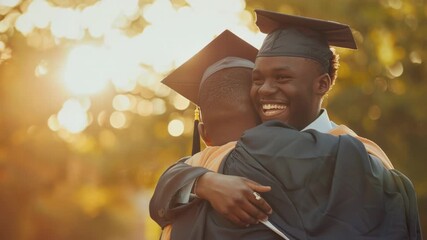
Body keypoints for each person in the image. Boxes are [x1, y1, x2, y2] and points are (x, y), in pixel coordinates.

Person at [151, 10, 422, 239]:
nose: (266, 90)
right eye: (257, 80)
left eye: (282, 78)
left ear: (323, 84)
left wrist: (201, 179)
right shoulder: (230, 158)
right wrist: (204, 182)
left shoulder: (363, 159)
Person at [150, 29, 275, 239]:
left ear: (203, 133)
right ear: (267, 116)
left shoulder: (185, 185)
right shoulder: (316, 151)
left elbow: (158, 201)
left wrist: (204, 182)